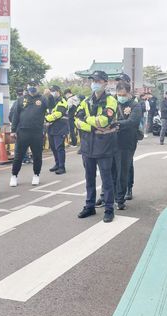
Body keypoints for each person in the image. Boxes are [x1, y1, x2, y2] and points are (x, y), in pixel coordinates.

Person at [75, 70, 118, 223]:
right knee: (89, 179)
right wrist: (92, 127)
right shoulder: (86, 101)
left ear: (106, 83)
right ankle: (89, 206)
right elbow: (77, 120)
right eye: (93, 80)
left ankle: (109, 209)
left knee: (107, 180)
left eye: (98, 81)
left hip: (105, 146)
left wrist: (87, 119)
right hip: (88, 145)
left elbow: (105, 121)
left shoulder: (111, 101)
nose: (95, 83)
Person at [9, 79, 48, 187]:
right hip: (22, 132)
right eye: (30, 85)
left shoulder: (43, 99)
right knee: (18, 156)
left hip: (37, 132)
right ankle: (14, 175)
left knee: (37, 156)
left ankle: (36, 174)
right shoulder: (21, 99)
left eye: (34, 85)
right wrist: (13, 131)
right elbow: (15, 116)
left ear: (38, 86)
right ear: (27, 86)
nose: (32, 87)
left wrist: (49, 96)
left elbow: (51, 107)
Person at [113, 81, 141, 210]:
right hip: (112, 141)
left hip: (127, 143)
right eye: (119, 94)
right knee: (111, 170)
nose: (121, 96)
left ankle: (120, 199)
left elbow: (133, 121)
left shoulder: (135, 105)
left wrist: (116, 124)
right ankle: (108, 196)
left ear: (129, 93)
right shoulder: (113, 103)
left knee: (123, 171)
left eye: (123, 94)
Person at [46, 85, 69, 175]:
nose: (52, 92)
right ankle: (57, 163)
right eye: (51, 90)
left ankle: (62, 167)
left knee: (59, 147)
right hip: (51, 127)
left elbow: (58, 113)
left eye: (53, 90)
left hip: (60, 127)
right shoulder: (52, 101)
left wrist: (46, 119)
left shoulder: (62, 101)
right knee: (53, 147)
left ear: (58, 91)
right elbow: (48, 112)